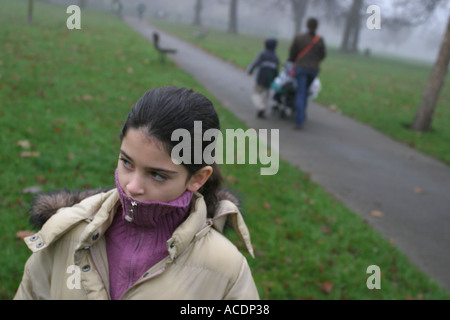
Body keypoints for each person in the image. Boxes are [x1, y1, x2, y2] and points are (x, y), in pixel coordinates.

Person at [14, 86, 259, 300]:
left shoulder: (227, 270)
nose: (132, 186)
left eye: (158, 175)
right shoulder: (64, 233)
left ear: (197, 178)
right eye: (127, 162)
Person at [288, 17, 326, 130]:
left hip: (301, 68)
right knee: (304, 93)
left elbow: (292, 53)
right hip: (313, 70)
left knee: (301, 92)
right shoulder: (319, 40)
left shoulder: (299, 38)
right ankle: (302, 116)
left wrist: (292, 61)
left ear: (306, 25)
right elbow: (323, 55)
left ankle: (299, 120)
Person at [247, 38, 279, 119]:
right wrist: (276, 79)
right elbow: (276, 71)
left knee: (255, 94)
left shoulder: (263, 54)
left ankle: (260, 107)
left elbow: (256, 63)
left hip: (260, 78)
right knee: (265, 95)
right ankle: (262, 110)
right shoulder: (275, 57)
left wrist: (250, 70)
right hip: (269, 80)